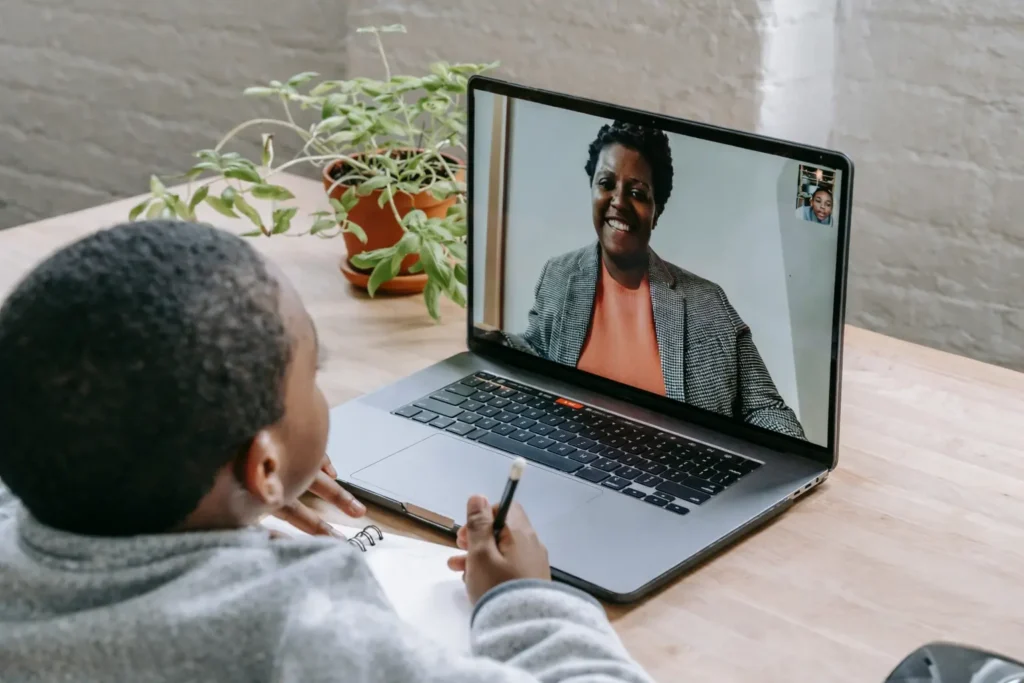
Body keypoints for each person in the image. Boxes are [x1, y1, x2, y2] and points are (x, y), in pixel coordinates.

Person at [0, 220, 654, 682]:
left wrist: (250, 482)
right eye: (314, 373)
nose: (320, 389)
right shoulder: (298, 634)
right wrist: (520, 602)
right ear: (262, 464)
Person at [497, 120, 805, 440]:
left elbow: (765, 409)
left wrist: (781, 465)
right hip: (569, 456)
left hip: (675, 473)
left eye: (637, 192)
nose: (618, 201)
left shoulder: (707, 302)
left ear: (656, 212)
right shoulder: (559, 274)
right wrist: (497, 345)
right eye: (606, 183)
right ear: (591, 191)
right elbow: (537, 353)